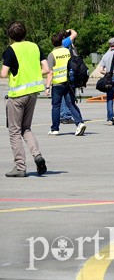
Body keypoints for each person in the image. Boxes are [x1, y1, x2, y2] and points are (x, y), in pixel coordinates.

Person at [2, 21, 49, 177]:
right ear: (25, 33)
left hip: (17, 96)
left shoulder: (11, 50)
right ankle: (37, 155)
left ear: (10, 36)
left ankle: (20, 166)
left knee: (14, 131)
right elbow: (46, 69)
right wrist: (33, 74)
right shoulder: (35, 47)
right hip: (33, 94)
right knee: (26, 128)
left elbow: (3, 73)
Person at [45, 29, 87, 136]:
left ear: (53, 43)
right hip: (69, 82)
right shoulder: (68, 51)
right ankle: (79, 123)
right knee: (71, 104)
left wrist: (47, 87)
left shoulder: (52, 55)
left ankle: (55, 128)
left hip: (58, 84)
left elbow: (50, 72)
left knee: (56, 106)